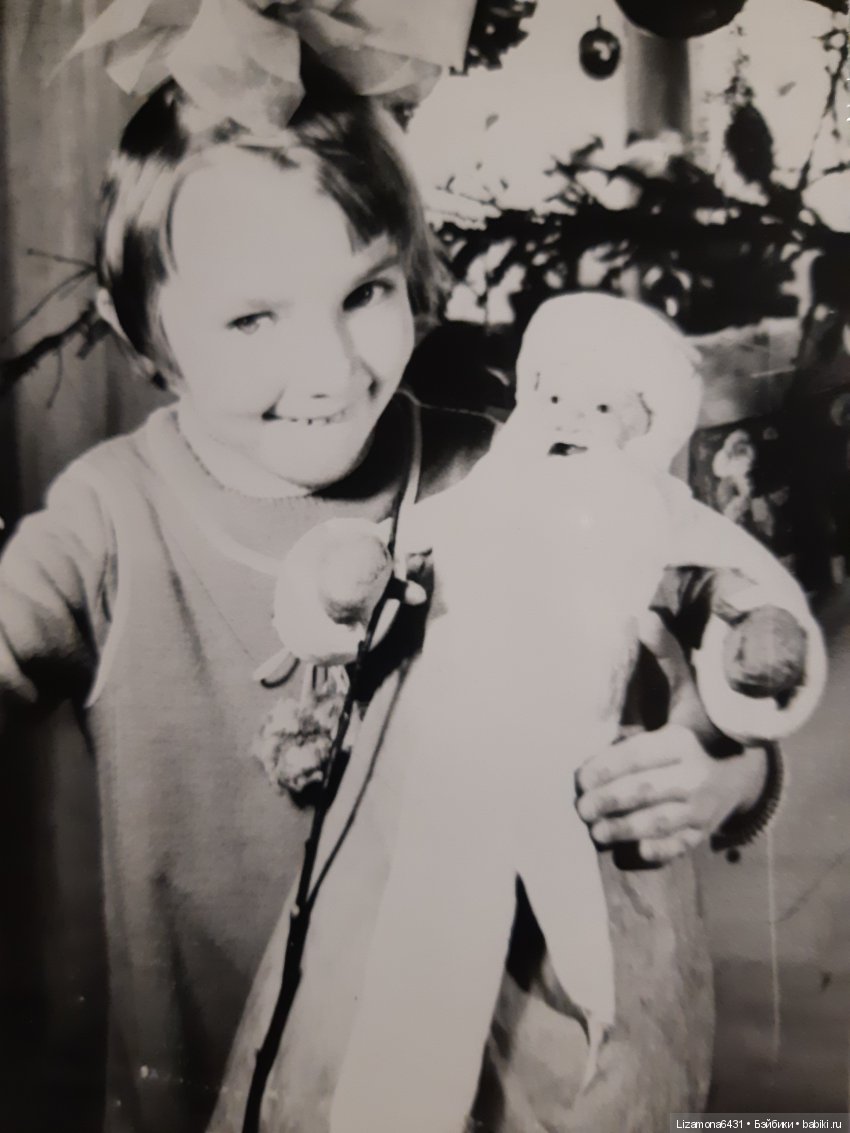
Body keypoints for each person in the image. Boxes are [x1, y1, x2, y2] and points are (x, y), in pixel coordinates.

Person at [0, 45, 787, 1133]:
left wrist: (723, 768)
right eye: (253, 319)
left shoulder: (503, 475)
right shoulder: (109, 522)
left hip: (459, 1088)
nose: (331, 367)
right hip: (194, 1091)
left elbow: (708, 664)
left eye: (364, 291)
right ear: (146, 335)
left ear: (412, 274)